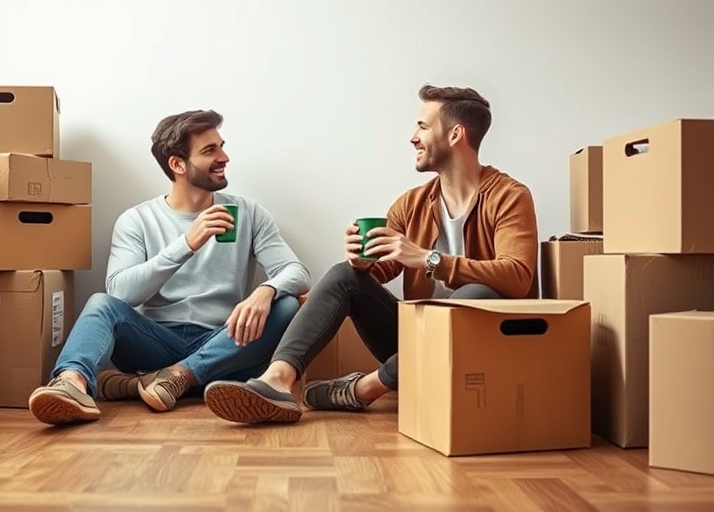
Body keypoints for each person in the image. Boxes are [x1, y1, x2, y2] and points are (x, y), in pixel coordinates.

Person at [203, 85, 538, 424]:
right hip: (415, 347)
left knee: (475, 296)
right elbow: (381, 269)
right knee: (343, 275)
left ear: (455, 134)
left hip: (484, 350)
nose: (413, 137)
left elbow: (518, 276)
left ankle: (364, 389)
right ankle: (276, 380)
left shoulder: (509, 196)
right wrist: (361, 262)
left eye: (422, 126)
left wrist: (428, 259)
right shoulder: (413, 203)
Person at [28, 109, 311, 425]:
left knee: (287, 304)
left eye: (221, 146)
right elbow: (120, 292)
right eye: (210, 150)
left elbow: (297, 272)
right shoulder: (137, 220)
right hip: (157, 341)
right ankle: (72, 384)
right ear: (177, 164)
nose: (224, 156)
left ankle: (164, 380)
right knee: (101, 305)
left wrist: (265, 290)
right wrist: (186, 244)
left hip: (227, 344)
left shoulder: (247, 213)